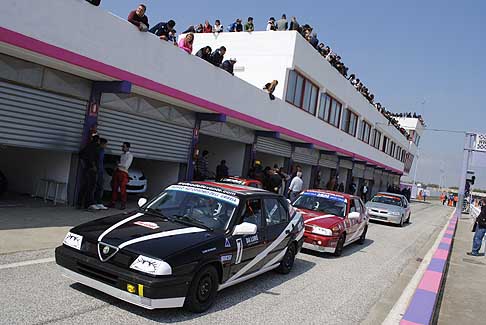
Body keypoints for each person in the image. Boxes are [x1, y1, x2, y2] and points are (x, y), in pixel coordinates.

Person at [77, 135, 100, 209]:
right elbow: (92, 157)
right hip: (91, 169)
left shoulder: (87, 146)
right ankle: (87, 204)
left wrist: (84, 164)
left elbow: (80, 154)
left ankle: (79, 203)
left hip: (86, 168)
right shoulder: (95, 147)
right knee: (90, 188)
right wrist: (93, 166)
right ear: (98, 140)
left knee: (84, 186)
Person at [109, 142, 133, 210]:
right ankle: (113, 202)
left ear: (128, 148)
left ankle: (123, 204)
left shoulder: (130, 155)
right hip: (118, 171)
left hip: (123, 173)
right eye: (122, 146)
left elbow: (126, 165)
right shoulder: (122, 155)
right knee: (114, 187)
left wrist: (118, 164)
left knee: (122, 189)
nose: (122, 148)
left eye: (124, 147)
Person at [93, 138, 108, 210]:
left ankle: (98, 202)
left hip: (101, 170)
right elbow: (94, 160)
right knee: (95, 187)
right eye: (105, 144)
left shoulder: (102, 151)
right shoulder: (97, 150)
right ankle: (93, 202)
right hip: (97, 170)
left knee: (100, 187)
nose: (106, 146)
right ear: (102, 144)